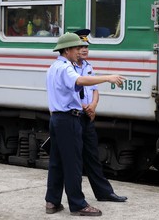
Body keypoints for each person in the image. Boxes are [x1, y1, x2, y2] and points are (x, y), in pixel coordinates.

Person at [45, 32, 125, 216]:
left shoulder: (53, 67)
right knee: (73, 162)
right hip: (68, 118)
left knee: (56, 162)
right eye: (75, 48)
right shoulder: (66, 68)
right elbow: (79, 80)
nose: (78, 51)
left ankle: (52, 201)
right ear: (67, 50)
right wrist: (107, 77)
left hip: (56, 118)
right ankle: (78, 204)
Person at [74, 29, 128, 203]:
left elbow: (94, 90)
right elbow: (70, 92)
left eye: (86, 46)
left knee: (93, 156)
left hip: (87, 117)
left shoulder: (88, 66)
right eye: (81, 46)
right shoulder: (69, 67)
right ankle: (67, 197)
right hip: (74, 116)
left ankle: (104, 193)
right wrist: (84, 107)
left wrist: (94, 105)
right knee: (71, 159)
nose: (84, 49)